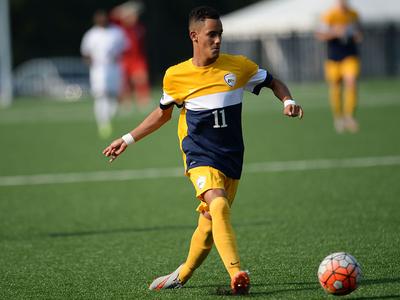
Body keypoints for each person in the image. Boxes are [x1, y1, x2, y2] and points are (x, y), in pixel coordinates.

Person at [102, 6, 303, 295]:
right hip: (199, 155)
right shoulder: (176, 75)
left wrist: (287, 101)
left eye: (220, 34)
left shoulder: (238, 67)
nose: (218, 40)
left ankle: (182, 274)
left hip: (231, 157)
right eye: (212, 34)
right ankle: (237, 274)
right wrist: (127, 139)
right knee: (218, 205)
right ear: (194, 36)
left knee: (209, 225)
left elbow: (274, 83)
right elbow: (162, 114)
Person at [315, 0, 362, 133]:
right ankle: (338, 117)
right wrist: (335, 32)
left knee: (351, 82)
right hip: (334, 57)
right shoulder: (329, 15)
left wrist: (354, 35)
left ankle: (350, 116)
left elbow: (359, 33)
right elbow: (319, 35)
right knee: (335, 86)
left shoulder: (353, 15)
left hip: (350, 55)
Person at [81, 10, 126, 139]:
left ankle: (109, 116)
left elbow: (124, 48)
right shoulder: (90, 35)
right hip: (98, 69)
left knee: (114, 96)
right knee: (100, 95)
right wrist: (91, 63)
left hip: (114, 67)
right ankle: (103, 124)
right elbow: (85, 53)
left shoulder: (116, 32)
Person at [110, 1, 151, 110]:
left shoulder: (138, 28)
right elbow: (113, 14)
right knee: (124, 82)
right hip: (124, 58)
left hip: (137, 58)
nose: (134, 18)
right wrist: (125, 8)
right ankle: (125, 103)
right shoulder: (120, 27)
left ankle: (143, 101)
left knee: (141, 79)